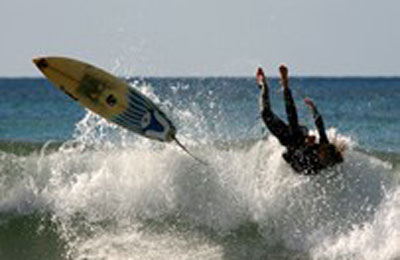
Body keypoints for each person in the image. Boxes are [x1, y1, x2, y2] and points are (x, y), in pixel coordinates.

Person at [256, 65, 343, 175]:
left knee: (265, 113)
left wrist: (305, 145)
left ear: (324, 160)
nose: (319, 148)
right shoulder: (324, 145)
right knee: (294, 128)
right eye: (322, 149)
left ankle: (263, 86)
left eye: (321, 152)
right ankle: (285, 85)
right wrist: (314, 109)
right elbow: (320, 126)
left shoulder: (312, 167)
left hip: (288, 141)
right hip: (299, 134)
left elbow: (290, 159)